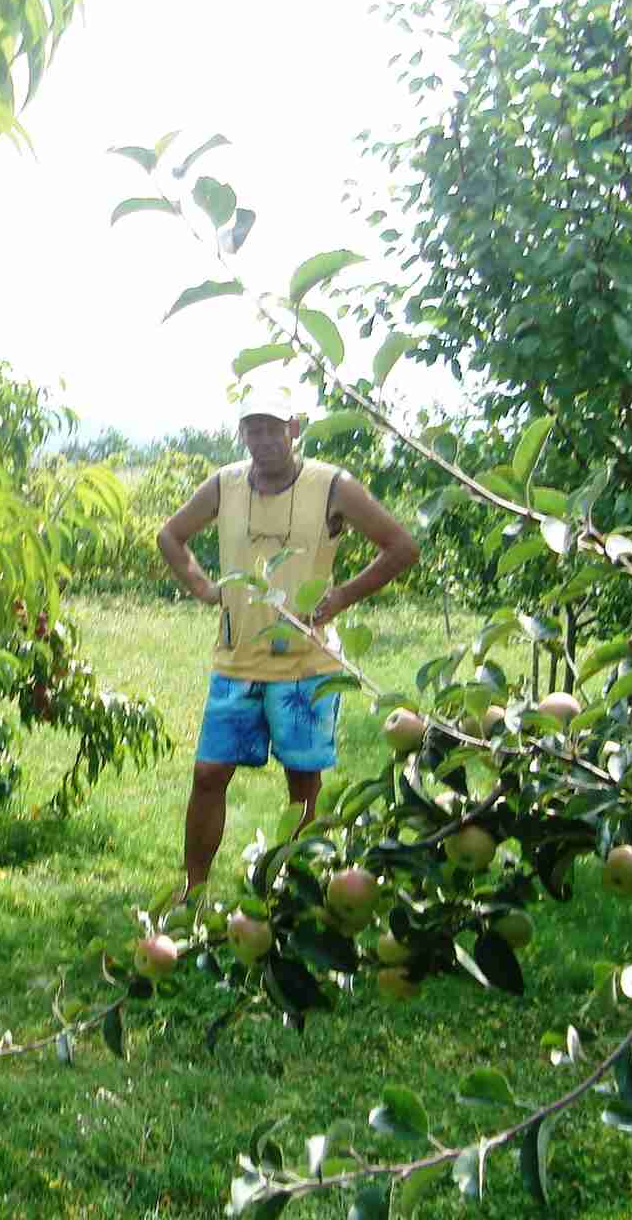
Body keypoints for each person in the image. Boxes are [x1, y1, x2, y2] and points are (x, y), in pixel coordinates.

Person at [157, 382, 420, 896]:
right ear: (242, 434)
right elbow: (171, 535)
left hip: (306, 666)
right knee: (208, 775)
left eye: (272, 428)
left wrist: (342, 596)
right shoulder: (225, 484)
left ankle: (297, 891)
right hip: (236, 662)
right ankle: (193, 890)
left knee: (302, 784)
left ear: (293, 430)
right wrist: (203, 587)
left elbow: (401, 547)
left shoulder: (332, 486)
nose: (263, 440)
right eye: (252, 429)